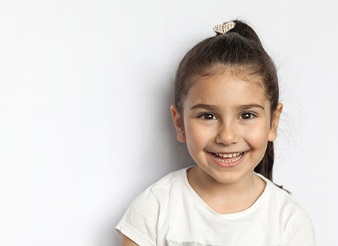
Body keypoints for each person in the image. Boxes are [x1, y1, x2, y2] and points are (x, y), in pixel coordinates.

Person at [116, 20, 316, 245]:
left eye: (247, 115)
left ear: (273, 122)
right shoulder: (154, 209)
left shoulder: (289, 221)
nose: (227, 137)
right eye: (208, 116)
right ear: (179, 123)